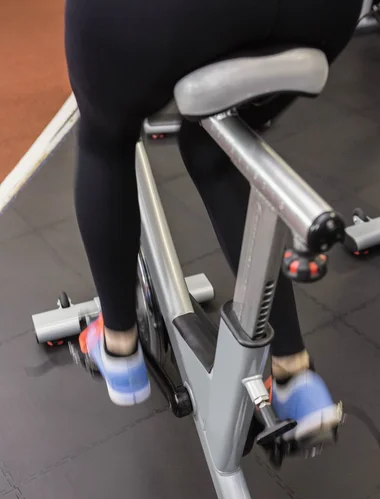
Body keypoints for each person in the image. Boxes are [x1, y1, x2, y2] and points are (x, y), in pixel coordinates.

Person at [65, 0, 362, 442]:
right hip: (323, 14)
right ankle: (295, 376)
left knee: (103, 135)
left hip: (177, 18)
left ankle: (119, 348)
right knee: (215, 150)